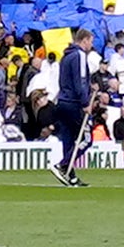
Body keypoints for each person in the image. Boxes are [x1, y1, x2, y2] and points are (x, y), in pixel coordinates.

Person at [44, 31, 98, 186]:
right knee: (86, 139)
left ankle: (70, 176)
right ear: (85, 40)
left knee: (68, 140)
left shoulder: (66, 56)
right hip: (74, 103)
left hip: (62, 102)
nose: (91, 45)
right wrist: (85, 102)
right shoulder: (79, 56)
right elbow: (79, 81)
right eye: (91, 41)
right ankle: (63, 165)